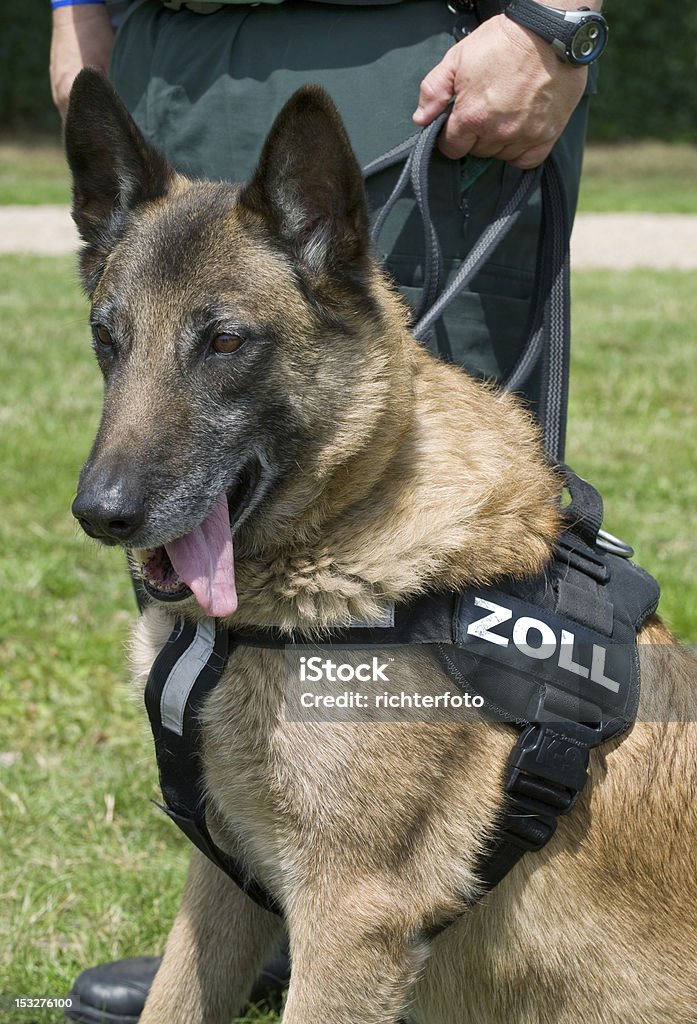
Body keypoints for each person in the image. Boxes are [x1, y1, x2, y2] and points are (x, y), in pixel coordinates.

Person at [50, 0, 605, 1019]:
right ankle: (293, 936)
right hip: (172, 45)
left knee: (354, 872)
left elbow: (362, 899)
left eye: (224, 349)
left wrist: (554, 19)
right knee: (285, 802)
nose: (106, 489)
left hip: (413, 54)